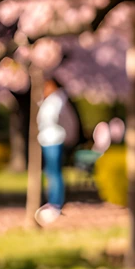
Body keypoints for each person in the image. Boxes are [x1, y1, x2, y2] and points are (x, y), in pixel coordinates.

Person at [34, 76, 80, 227]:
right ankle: (53, 202)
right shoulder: (53, 100)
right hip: (49, 139)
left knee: (54, 172)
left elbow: (53, 119)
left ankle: (55, 203)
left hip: (54, 139)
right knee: (51, 172)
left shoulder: (57, 100)